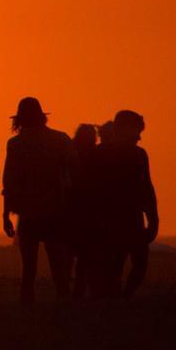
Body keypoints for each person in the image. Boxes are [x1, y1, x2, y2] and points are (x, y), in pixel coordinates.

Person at [1, 97, 73, 303]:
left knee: (29, 269)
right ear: (42, 117)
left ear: (19, 120)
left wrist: (6, 215)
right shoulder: (61, 140)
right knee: (59, 265)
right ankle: (64, 304)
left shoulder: (15, 144)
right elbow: (73, 172)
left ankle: (27, 307)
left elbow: (9, 181)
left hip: (28, 212)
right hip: (55, 210)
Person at [87, 110, 159, 298]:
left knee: (128, 265)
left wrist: (153, 218)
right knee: (127, 265)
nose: (139, 137)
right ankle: (118, 298)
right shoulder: (134, 155)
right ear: (124, 129)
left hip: (118, 219)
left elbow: (146, 188)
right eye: (137, 131)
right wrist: (152, 219)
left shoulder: (101, 154)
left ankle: (119, 298)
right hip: (119, 220)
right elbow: (146, 189)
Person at [68, 123, 100, 299]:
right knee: (84, 254)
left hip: (75, 207)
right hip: (86, 208)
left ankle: (73, 289)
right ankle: (80, 288)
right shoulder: (96, 154)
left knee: (74, 252)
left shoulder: (71, 152)